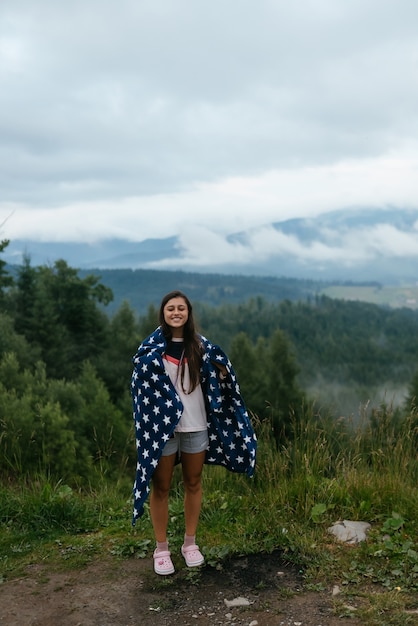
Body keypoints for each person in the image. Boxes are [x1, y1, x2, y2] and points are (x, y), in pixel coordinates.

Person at [131, 290, 257, 575]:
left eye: (181, 308)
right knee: (161, 486)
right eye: (170, 308)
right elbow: (139, 384)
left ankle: (190, 544)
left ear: (188, 313)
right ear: (163, 313)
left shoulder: (202, 347)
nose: (176, 313)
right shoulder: (151, 350)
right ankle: (161, 548)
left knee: (193, 482)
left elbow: (225, 377)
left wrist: (223, 374)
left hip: (196, 425)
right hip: (163, 429)